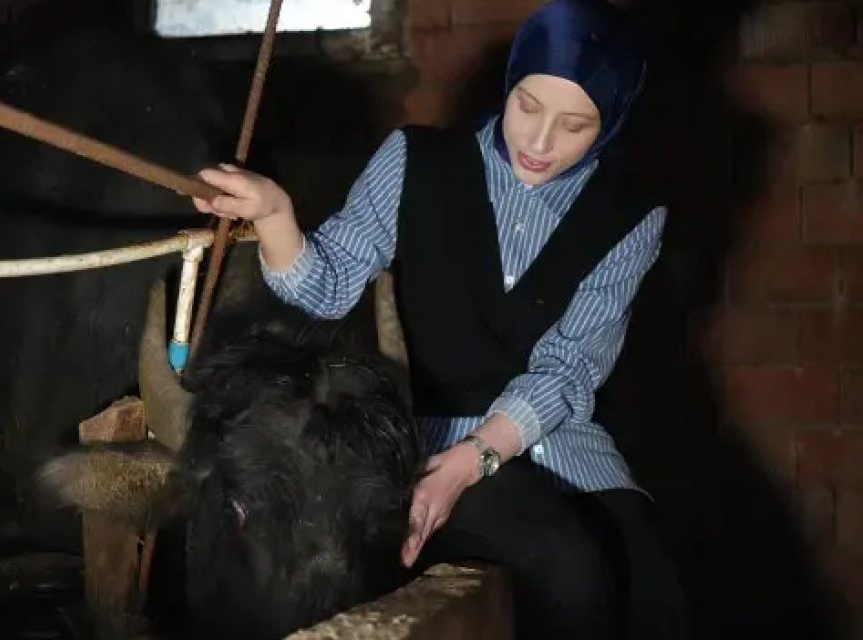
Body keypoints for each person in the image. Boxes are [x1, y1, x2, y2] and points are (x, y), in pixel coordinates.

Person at [188, 0, 688, 638]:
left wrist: (470, 464)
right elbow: (328, 287)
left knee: (654, 592)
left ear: (610, 124)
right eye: (528, 107)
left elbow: (569, 368)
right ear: (510, 86)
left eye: (574, 125)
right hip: (431, 438)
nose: (538, 142)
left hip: (560, 440)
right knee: (567, 569)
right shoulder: (415, 162)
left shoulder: (632, 215)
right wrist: (276, 216)